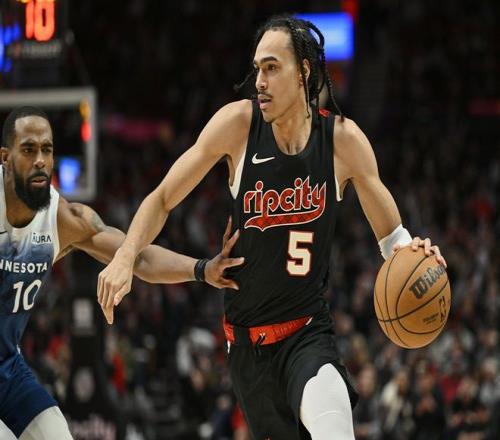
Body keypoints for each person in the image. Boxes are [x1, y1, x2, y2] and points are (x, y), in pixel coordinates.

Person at [98, 15, 447, 440]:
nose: (259, 81)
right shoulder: (237, 126)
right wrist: (126, 256)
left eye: (271, 68)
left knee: (335, 430)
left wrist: (417, 255)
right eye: (257, 69)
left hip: (308, 335)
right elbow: (162, 198)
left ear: (303, 72)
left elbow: (394, 240)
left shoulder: (342, 140)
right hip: (248, 349)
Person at [0, 106, 243, 439]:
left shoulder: (62, 219)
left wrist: (202, 269)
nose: (40, 160)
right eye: (29, 150)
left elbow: (136, 258)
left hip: (8, 369)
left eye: (47, 149)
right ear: (6, 158)